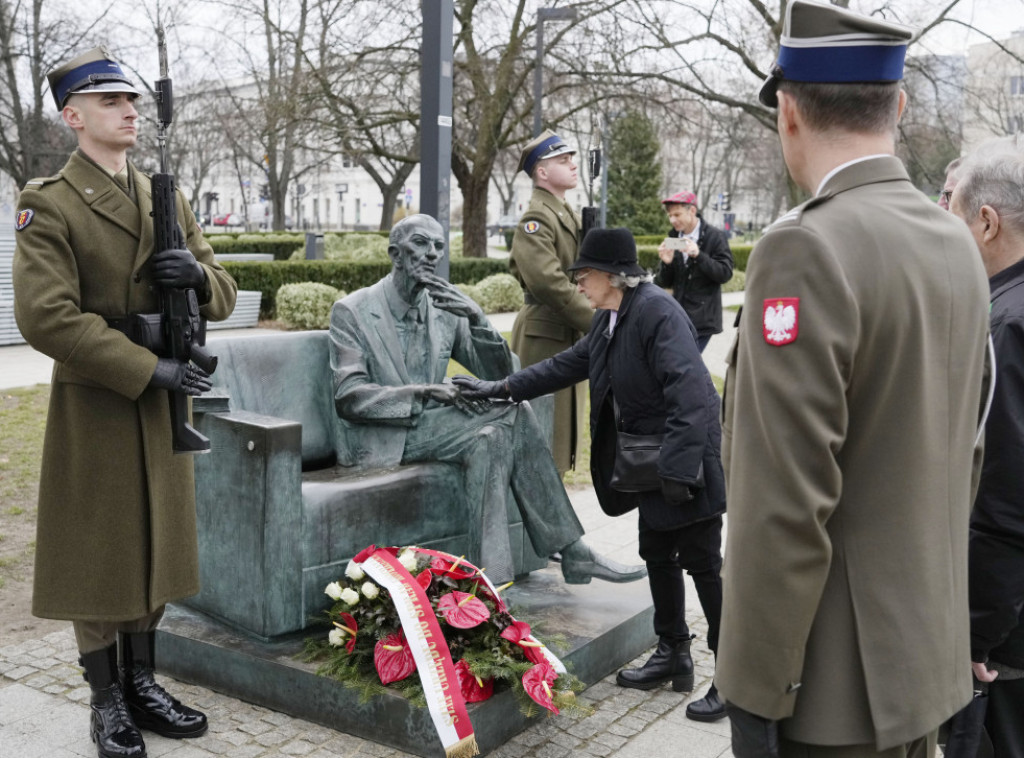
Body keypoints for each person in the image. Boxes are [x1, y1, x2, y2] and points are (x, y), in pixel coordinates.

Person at [715, 2, 991, 756]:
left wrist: (753, 685)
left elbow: (784, 503)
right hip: (918, 669)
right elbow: (966, 454)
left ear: (787, 113)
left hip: (826, 690)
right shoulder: (956, 242)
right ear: (898, 104)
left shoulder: (806, 248)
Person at [12, 47, 238, 758]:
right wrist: (151, 369)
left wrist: (196, 277)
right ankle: (106, 698)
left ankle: (143, 681)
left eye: (132, 100)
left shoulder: (163, 194)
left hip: (163, 403)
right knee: (102, 551)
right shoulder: (47, 200)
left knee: (158, 545)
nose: (130, 110)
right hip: (104, 401)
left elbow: (224, 292)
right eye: (110, 102)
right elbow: (47, 316)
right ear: (73, 117)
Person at [454, 228, 728, 722]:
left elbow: (690, 394)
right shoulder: (610, 318)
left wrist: (680, 472)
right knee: (658, 554)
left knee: (704, 564)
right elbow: (565, 365)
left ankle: (734, 678)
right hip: (651, 461)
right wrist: (500, 389)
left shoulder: (657, 314)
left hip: (684, 461)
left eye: (583, 274)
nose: (577, 282)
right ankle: (673, 653)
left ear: (611, 275)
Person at [328, 213, 646, 589]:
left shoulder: (444, 308)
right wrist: (428, 392)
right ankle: (572, 551)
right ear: (395, 253)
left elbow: (501, 372)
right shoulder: (353, 310)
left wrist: (476, 318)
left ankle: (490, 586)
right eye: (420, 244)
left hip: (435, 428)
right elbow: (350, 398)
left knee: (491, 439)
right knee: (513, 412)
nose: (431, 254)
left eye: (439, 247)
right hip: (381, 436)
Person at [949, 139, 1024, 758]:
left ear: (986, 221)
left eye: (952, 212)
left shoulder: (1002, 326)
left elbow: (1002, 497)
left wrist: (976, 636)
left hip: (1010, 636)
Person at [508, 130, 592, 474]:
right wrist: (594, 318)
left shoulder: (564, 212)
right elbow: (548, 281)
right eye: (563, 159)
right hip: (545, 335)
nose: (573, 164)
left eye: (572, 158)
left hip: (564, 332)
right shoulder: (537, 218)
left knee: (556, 442)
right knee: (538, 442)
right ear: (541, 172)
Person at [653, 191, 734, 352]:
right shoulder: (674, 237)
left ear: (692, 211)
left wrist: (698, 255)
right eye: (670, 215)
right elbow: (663, 282)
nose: (672, 220)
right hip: (678, 316)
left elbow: (725, 273)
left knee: (684, 365)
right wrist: (666, 263)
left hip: (703, 319)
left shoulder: (715, 236)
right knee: (678, 365)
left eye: (677, 214)